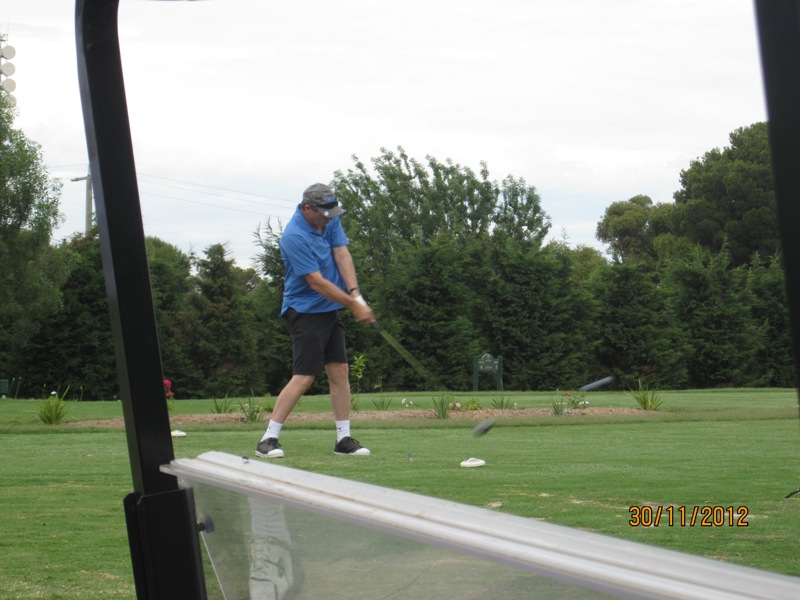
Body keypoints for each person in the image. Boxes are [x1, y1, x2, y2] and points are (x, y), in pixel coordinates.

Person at [256, 183, 374, 459]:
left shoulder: (327, 218)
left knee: (340, 370)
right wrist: (353, 305)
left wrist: (355, 293)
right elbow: (316, 282)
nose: (329, 219)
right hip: (304, 310)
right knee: (305, 375)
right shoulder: (294, 236)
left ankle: (343, 440)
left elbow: (342, 254)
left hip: (329, 309)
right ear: (307, 209)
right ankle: (267, 439)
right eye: (323, 214)